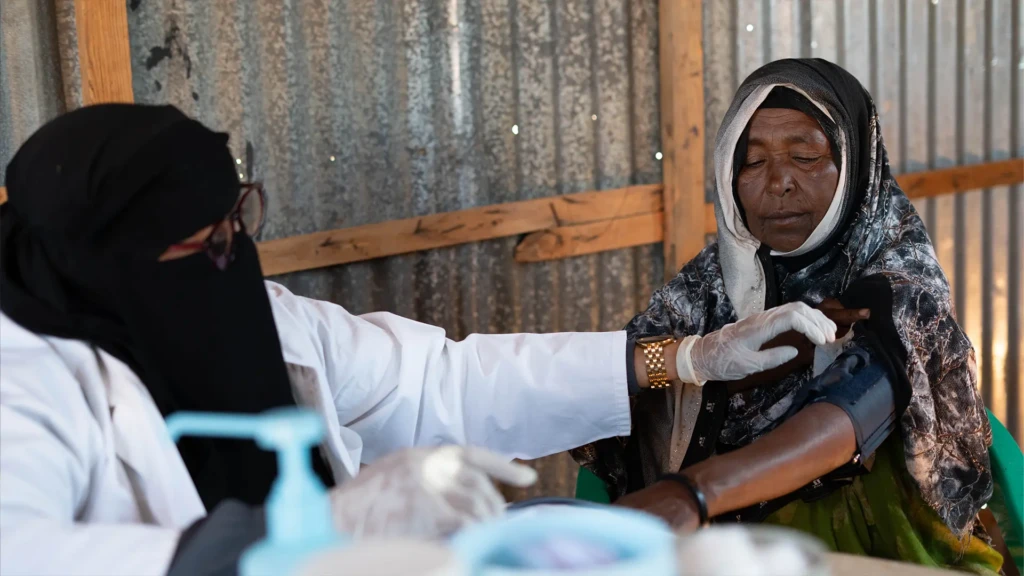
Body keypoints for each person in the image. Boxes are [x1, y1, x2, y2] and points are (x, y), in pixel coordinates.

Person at [0, 104, 837, 576]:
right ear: (102, 256)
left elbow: (445, 385)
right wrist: (310, 534)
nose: (234, 255)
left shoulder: (255, 314)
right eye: (207, 241)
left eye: (238, 220)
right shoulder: (23, 384)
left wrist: (679, 359)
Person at [572, 58, 1004, 574]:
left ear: (854, 164)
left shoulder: (899, 277)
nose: (779, 183)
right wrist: (693, 364)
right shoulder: (713, 282)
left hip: (872, 542)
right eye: (752, 163)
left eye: (805, 156)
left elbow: (856, 406)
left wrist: (692, 493)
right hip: (719, 542)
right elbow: (612, 381)